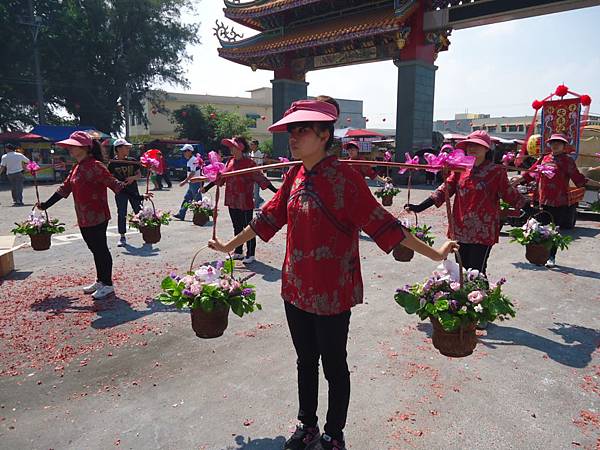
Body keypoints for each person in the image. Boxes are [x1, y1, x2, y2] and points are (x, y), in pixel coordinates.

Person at [208, 99, 458, 450]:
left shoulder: (345, 179)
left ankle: (333, 433)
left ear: (325, 135)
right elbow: (267, 218)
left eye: (303, 130)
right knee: (305, 360)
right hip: (295, 286)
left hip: (332, 290)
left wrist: (436, 252)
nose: (294, 138)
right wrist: (227, 246)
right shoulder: (295, 175)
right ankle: (306, 425)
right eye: (291, 131)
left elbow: (384, 225)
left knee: (334, 364)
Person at [37, 132, 147, 299]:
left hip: (98, 215)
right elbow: (64, 189)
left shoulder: (96, 165)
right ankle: (100, 280)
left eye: (73, 146)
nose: (70, 150)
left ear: (85, 148)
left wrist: (138, 197)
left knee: (100, 249)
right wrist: (46, 204)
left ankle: (108, 284)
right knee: (94, 249)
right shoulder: (76, 167)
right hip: (83, 216)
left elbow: (115, 184)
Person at [406, 130, 531, 276]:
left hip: (483, 231)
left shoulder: (496, 171)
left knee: (478, 271)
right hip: (461, 228)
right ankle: (464, 298)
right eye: (469, 145)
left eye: (477, 145)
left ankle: (481, 298)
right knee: (462, 270)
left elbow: (510, 194)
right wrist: (420, 207)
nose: (472, 148)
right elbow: (444, 190)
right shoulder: (459, 169)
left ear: (487, 148)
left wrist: (528, 208)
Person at [511, 133, 600, 267]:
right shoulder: (544, 158)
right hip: (541, 200)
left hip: (559, 202)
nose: (555, 145)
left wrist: (597, 184)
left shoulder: (567, 161)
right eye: (553, 142)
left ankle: (551, 257)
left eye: (559, 143)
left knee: (553, 231)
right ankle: (539, 255)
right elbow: (531, 174)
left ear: (564, 146)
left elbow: (578, 178)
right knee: (538, 229)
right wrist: (515, 182)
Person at [204, 136, 278, 264]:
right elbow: (221, 178)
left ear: (240, 148)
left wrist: (277, 192)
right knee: (236, 226)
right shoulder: (230, 162)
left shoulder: (249, 164)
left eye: (233, 147)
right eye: (231, 147)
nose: (231, 149)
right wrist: (207, 187)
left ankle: (251, 253)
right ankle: (238, 251)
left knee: (248, 228)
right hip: (232, 200)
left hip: (245, 201)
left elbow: (261, 179)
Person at [108, 138, 144, 247]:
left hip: (133, 191)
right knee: (122, 213)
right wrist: (118, 183)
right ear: (118, 149)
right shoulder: (112, 163)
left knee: (139, 211)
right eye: (125, 147)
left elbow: (139, 175)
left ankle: (147, 231)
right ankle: (122, 236)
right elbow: (109, 178)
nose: (128, 149)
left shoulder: (132, 161)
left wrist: (132, 178)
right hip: (121, 192)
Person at [173, 144, 203, 220]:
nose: (184, 153)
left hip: (195, 182)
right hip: (192, 182)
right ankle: (181, 214)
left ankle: (201, 215)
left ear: (190, 151)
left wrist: (184, 181)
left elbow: (192, 173)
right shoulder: (191, 160)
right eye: (183, 151)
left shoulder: (193, 160)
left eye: (185, 151)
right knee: (187, 198)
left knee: (197, 199)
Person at [250, 139, 264, 209]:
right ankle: (260, 200)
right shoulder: (252, 152)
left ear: (256, 145)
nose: (251, 146)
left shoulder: (259, 153)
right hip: (252, 173)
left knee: (256, 191)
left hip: (257, 173)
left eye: (252, 144)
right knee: (252, 191)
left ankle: (256, 206)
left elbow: (259, 164)